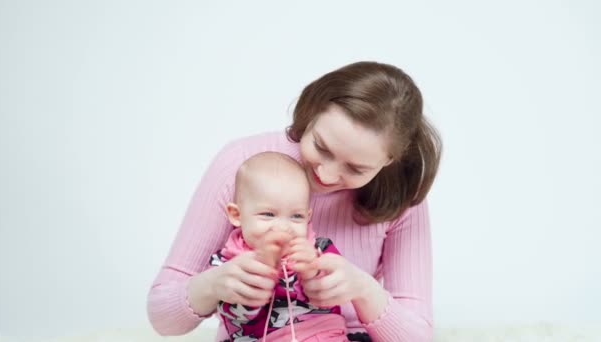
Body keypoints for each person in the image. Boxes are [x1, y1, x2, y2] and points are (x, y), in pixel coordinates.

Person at [147, 61, 442, 342]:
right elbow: (162, 317)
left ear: (390, 160)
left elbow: (416, 336)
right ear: (310, 113)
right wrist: (212, 285)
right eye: (321, 147)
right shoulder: (242, 164)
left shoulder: (401, 196)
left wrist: (363, 289)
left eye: (356, 169)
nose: (325, 175)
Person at [211, 151, 349, 342]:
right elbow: (238, 316)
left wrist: (312, 272)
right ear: (236, 215)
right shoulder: (226, 263)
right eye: (268, 214)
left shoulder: (320, 249)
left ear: (308, 217)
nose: (283, 227)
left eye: (296, 216)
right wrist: (263, 268)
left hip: (321, 334)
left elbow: (337, 294)